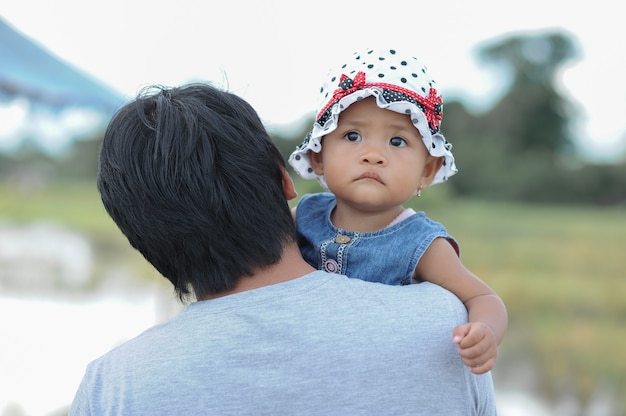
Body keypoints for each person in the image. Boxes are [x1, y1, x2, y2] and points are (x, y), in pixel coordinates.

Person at [69, 83, 497, 415]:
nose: (372, 155)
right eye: (352, 137)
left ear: (141, 236)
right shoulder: (445, 323)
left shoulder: (114, 387)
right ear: (285, 179)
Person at [289, 48, 507, 374]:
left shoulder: (420, 243)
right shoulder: (303, 215)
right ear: (318, 156)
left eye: (397, 141)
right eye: (352, 135)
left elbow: (484, 299)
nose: (373, 155)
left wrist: (485, 331)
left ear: (427, 170)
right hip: (307, 370)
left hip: (378, 378)